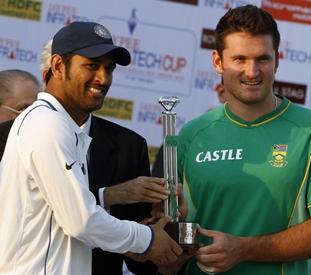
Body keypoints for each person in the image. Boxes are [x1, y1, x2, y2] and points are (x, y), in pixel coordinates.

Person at [175, 5, 311, 275]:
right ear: (217, 61)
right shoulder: (191, 135)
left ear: (277, 60)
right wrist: (174, 226)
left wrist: (243, 248)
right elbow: (177, 232)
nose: (252, 71)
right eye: (240, 59)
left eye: (263, 59)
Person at [0, 21, 182, 275]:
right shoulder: (47, 123)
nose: (103, 78)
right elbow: (82, 221)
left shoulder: (57, 124)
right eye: (91, 66)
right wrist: (148, 239)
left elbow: (62, 216)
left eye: (109, 69)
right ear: (57, 66)